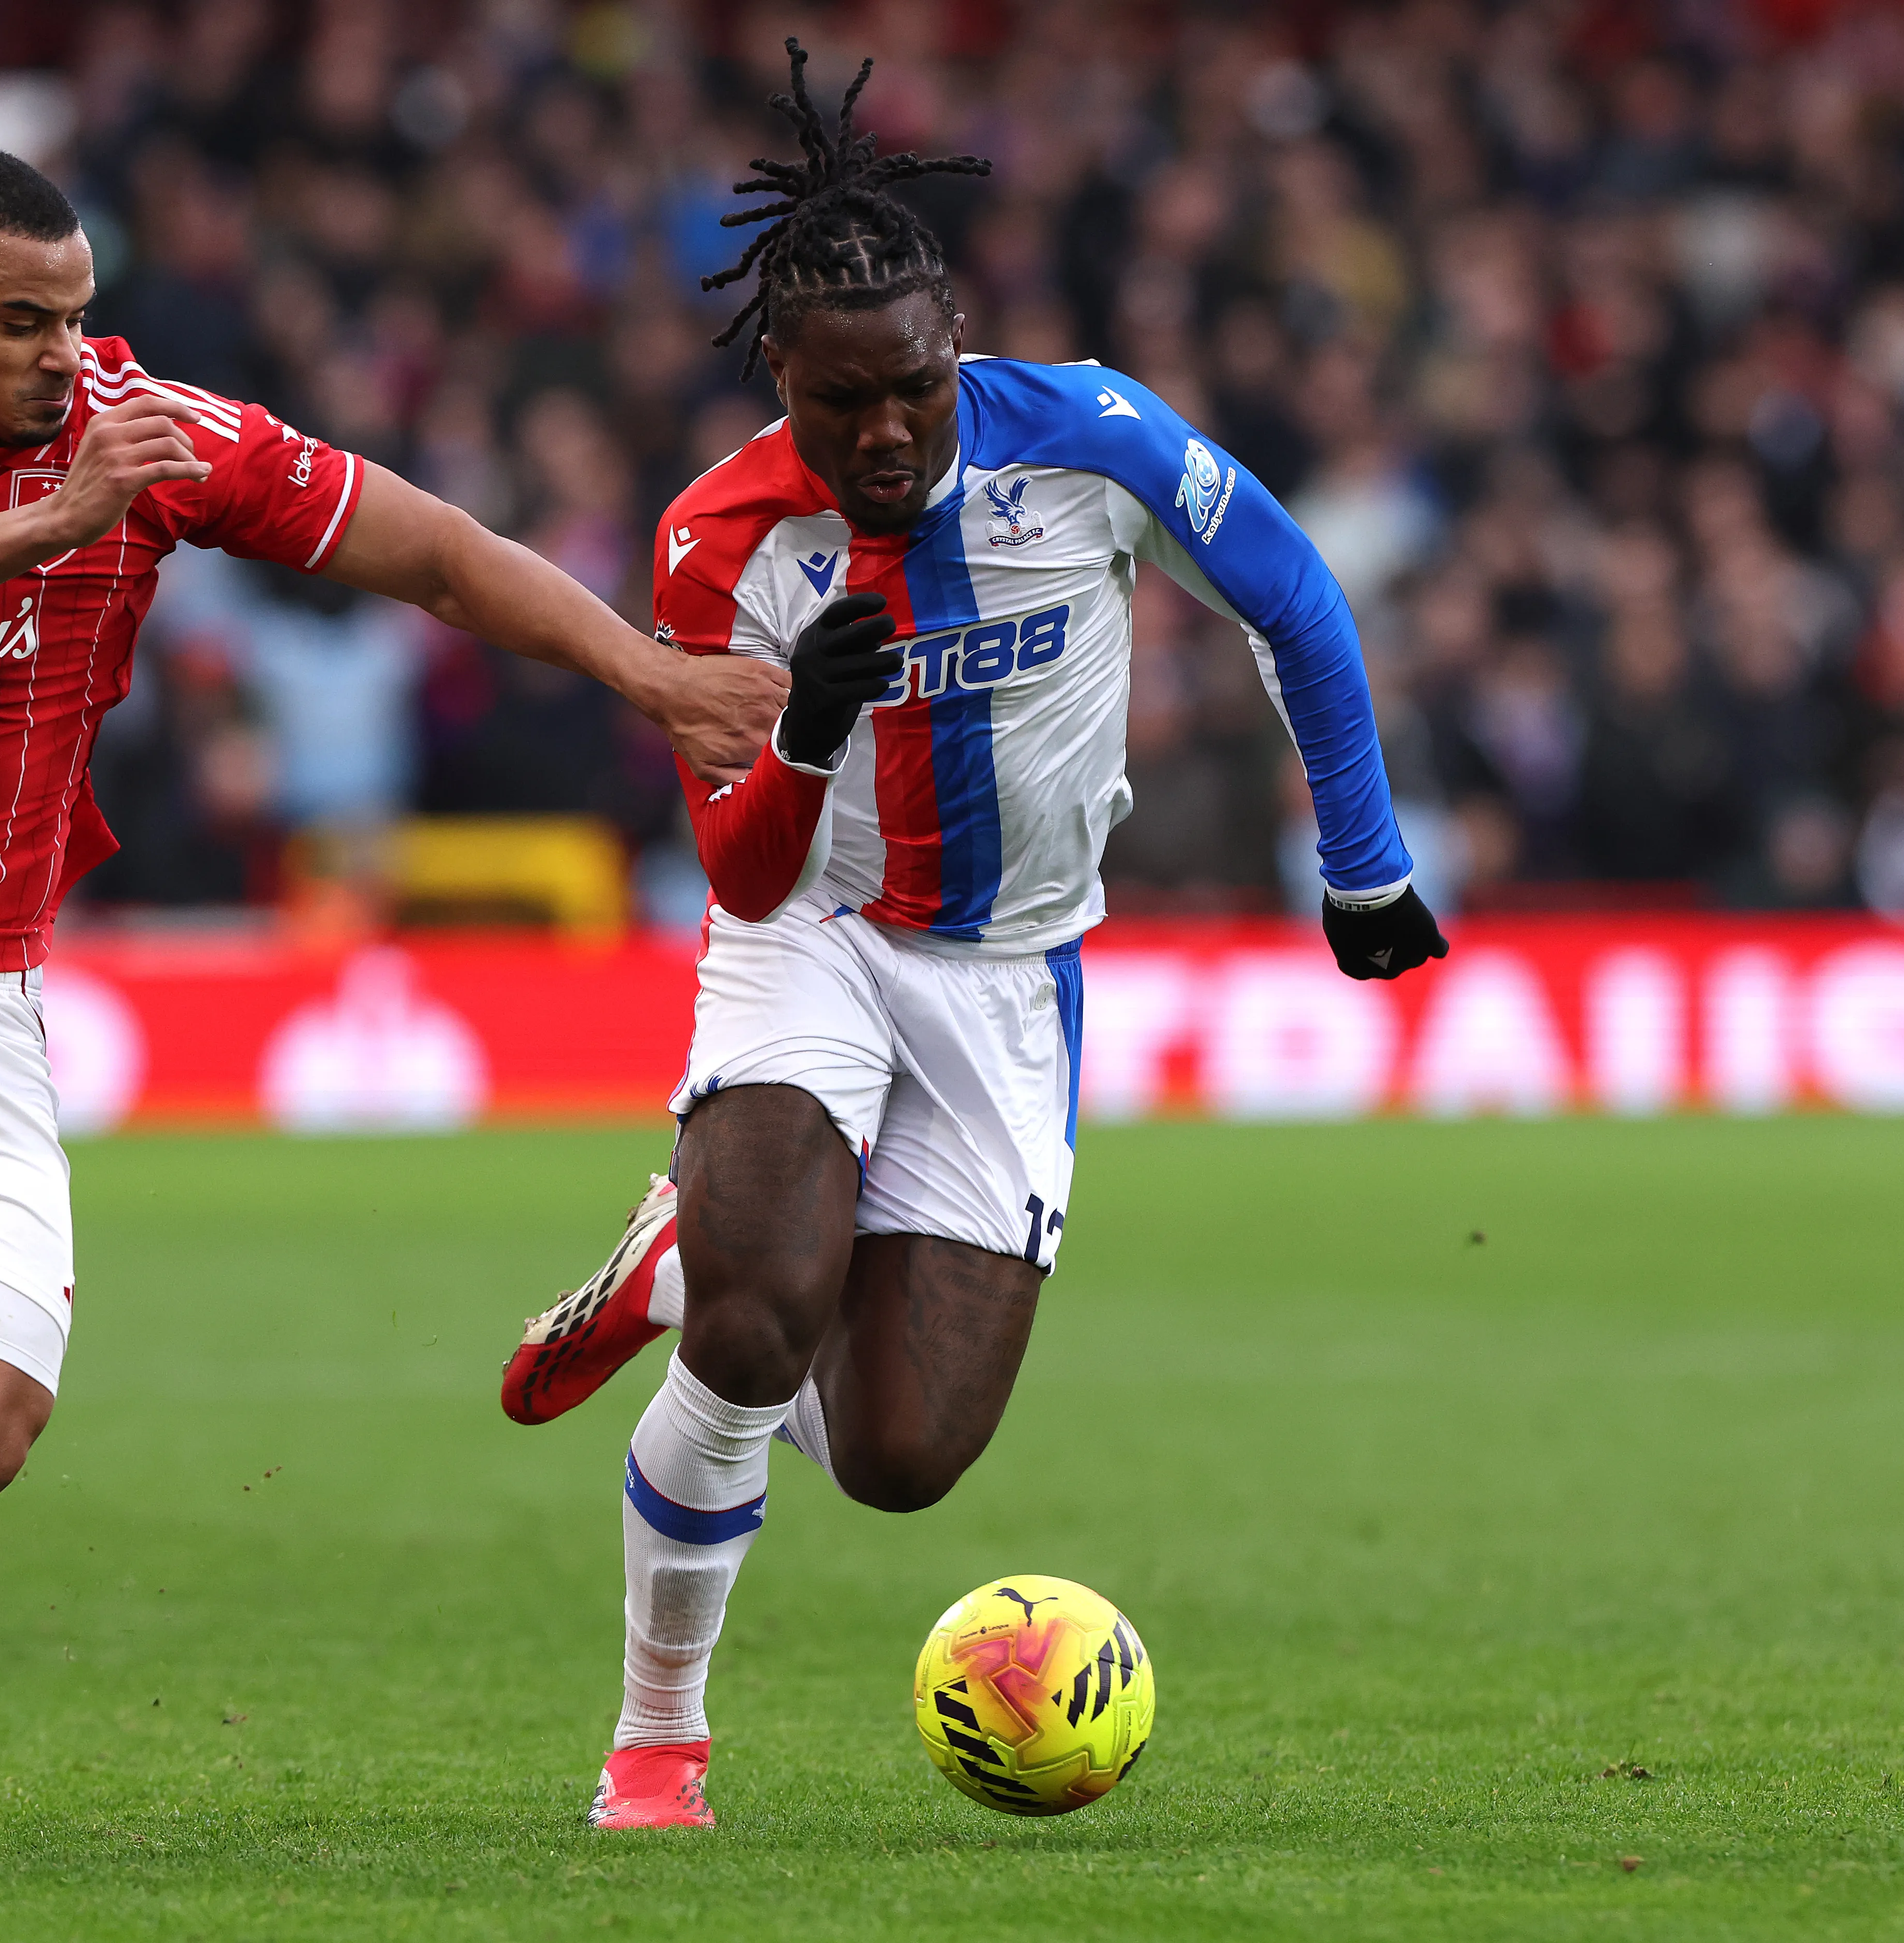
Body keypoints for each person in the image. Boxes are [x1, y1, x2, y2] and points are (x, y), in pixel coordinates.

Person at [0, 147, 782, 1863]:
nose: (62, 353)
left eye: (78, 316)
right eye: (20, 320)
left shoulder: (148, 426)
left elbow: (432, 552)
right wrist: (52, 518)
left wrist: (646, 675)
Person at [494, 46, 1449, 1830]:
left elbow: (1294, 601)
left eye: (912, 391)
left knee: (903, 1462)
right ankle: (655, 1746)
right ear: (776, 375)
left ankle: (679, 1258)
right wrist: (793, 734)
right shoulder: (722, 541)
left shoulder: (1087, 437)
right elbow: (741, 867)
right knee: (758, 1339)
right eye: (839, 401)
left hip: (1011, 971)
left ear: (956, 345)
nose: (881, 434)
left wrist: (1362, 866)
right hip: (816, 939)